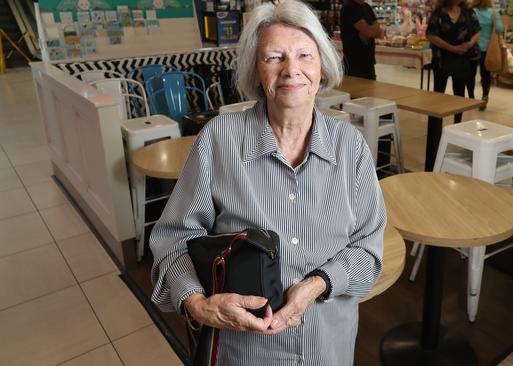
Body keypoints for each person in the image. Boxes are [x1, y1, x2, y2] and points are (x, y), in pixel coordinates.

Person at [149, 1, 386, 365]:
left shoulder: (349, 146)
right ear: (256, 71)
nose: (292, 70)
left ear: (322, 67)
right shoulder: (219, 140)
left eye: (305, 55)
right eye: (274, 57)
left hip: (326, 347)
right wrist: (197, 303)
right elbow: (172, 240)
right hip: (242, 350)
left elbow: (368, 252)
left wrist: (316, 284)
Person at [427, 0, 481, 123]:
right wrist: (452, 48)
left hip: (462, 57)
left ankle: (457, 124)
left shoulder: (468, 12)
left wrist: (470, 43)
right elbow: (431, 35)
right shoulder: (439, 13)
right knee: (438, 93)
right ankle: (435, 126)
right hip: (442, 58)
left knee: (459, 94)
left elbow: (477, 30)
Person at [466, 0, 502, 109]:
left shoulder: (470, 12)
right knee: (485, 74)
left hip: (472, 47)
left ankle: (471, 97)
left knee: (470, 74)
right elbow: (500, 28)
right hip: (488, 48)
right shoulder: (493, 13)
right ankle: (485, 96)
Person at [340, 0, 385, 80]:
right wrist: (373, 30)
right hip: (354, 63)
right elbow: (368, 32)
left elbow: (380, 33)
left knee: (370, 91)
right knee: (355, 91)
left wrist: (371, 30)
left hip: (369, 62)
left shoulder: (367, 7)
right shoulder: (349, 8)